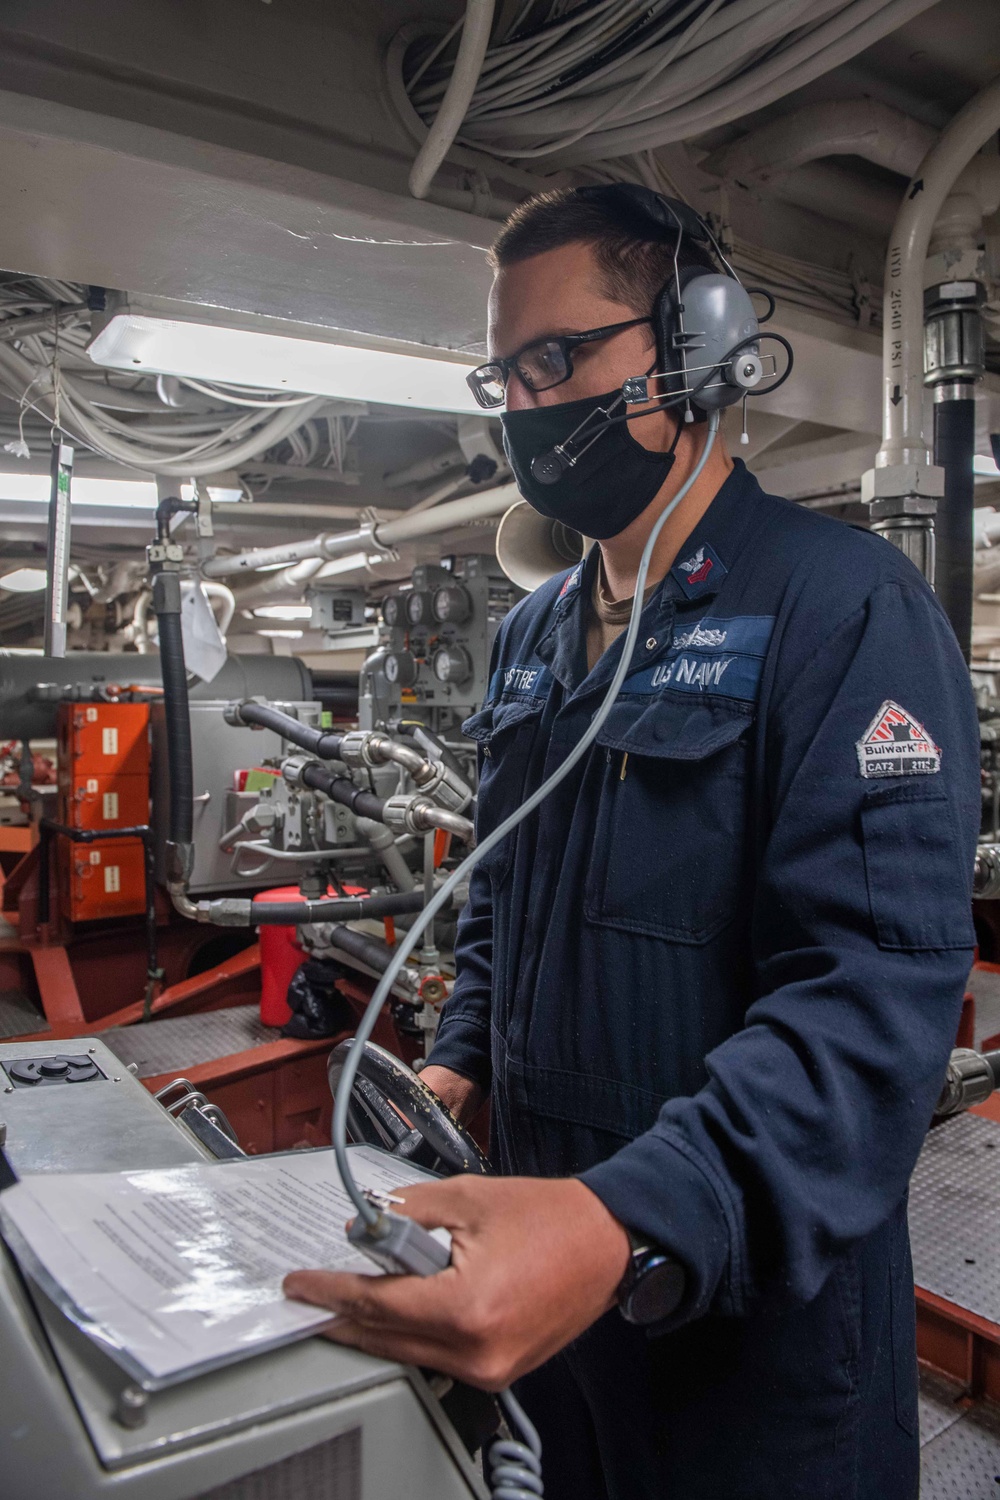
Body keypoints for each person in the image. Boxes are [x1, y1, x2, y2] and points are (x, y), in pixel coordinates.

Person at [285, 186, 980, 1500]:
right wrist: (459, 1069)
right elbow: (498, 904)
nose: (527, 406)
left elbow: (869, 1012)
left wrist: (625, 1219)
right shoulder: (532, 636)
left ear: (697, 347)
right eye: (504, 372)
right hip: (545, 1284)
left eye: (560, 358)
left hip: (745, 1321)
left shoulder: (842, 612)